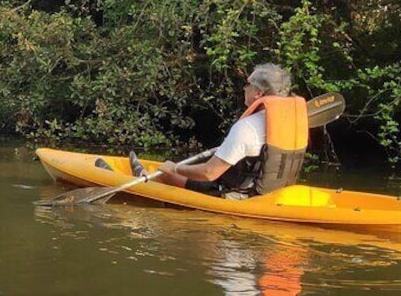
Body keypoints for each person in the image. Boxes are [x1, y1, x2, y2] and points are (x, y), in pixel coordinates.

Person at [128, 63, 308, 199]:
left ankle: (144, 178)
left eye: (248, 86)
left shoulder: (248, 128)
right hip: (275, 195)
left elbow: (209, 173)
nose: (244, 89)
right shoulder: (294, 125)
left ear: (258, 93)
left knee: (169, 173)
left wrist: (175, 168)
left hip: (240, 196)